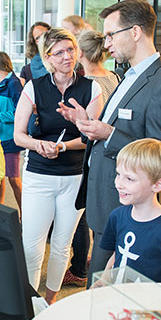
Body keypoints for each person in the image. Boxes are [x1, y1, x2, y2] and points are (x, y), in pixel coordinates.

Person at [56, 0, 161, 288]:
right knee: (99, 286)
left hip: (126, 210)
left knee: (108, 294)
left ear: (136, 32)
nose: (106, 43)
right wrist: (87, 124)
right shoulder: (129, 75)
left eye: (111, 35)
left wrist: (109, 134)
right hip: (104, 201)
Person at [13, 28, 103, 304]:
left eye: (71, 50)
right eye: (59, 52)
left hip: (74, 177)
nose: (67, 56)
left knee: (63, 246)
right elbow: (19, 136)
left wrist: (64, 145)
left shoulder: (91, 88)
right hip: (39, 176)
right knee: (32, 246)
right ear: (48, 58)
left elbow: (92, 135)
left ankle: (49, 300)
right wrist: (39, 145)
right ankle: (29, 303)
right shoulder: (34, 87)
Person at [61, 29, 120, 287]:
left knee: (85, 218)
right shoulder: (115, 78)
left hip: (94, 156)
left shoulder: (89, 85)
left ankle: (80, 268)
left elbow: (90, 128)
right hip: (114, 158)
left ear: (80, 53)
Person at [101, 138, 161, 285]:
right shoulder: (117, 216)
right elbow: (116, 255)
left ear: (157, 184)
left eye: (130, 179)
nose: (118, 184)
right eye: (118, 174)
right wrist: (103, 280)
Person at [0, 52, 24, 212]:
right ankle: (0, 209)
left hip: (10, 138)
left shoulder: (13, 84)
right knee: (0, 176)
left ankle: (25, 213)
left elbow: (21, 111)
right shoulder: (1, 83)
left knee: (14, 178)